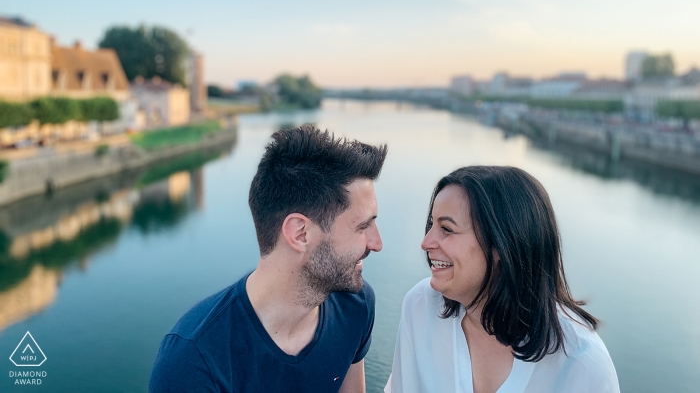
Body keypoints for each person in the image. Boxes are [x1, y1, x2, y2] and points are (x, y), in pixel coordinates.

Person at [149, 125, 387, 393]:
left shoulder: (356, 304)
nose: (377, 243)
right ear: (300, 233)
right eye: (362, 227)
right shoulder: (192, 360)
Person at [385, 166, 620, 393]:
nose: (426, 242)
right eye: (431, 225)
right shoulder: (420, 306)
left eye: (446, 228)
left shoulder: (583, 364)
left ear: (501, 244)